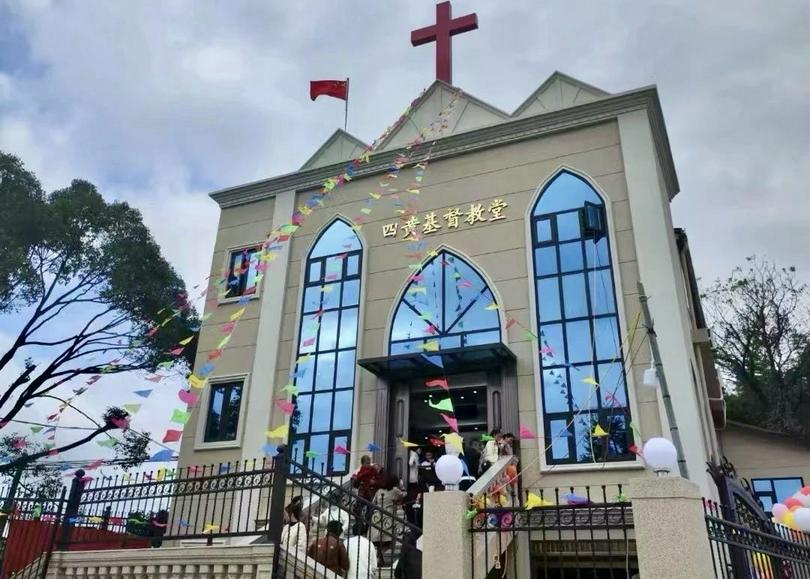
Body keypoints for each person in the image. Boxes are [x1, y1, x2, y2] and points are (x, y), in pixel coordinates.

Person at [370, 473, 405, 567]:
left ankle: (378, 554)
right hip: (389, 517)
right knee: (389, 540)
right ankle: (380, 554)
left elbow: (373, 502)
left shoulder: (379, 491)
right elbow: (402, 497)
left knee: (378, 539)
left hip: (377, 517)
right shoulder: (395, 490)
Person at [404, 448, 422, 525]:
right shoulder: (414, 454)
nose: (421, 451)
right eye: (420, 449)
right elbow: (411, 463)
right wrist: (416, 464)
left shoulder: (412, 453)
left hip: (412, 477)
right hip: (413, 478)